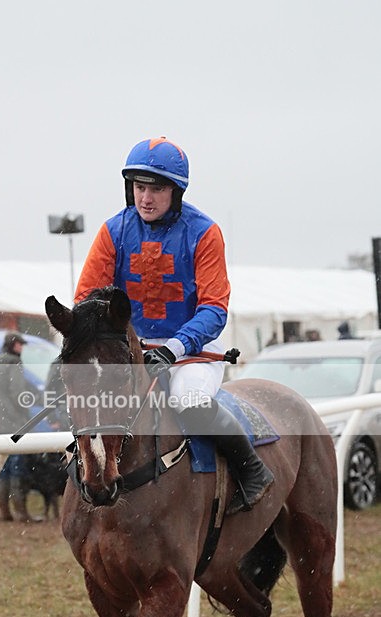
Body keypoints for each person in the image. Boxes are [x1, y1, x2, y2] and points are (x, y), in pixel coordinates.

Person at [74, 136, 274, 514]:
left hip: (190, 353)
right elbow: (87, 299)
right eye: (139, 187)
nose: (146, 198)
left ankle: (252, 471)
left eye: (157, 188)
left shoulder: (204, 232)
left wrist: (173, 348)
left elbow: (214, 308)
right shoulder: (113, 231)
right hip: (129, 351)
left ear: (176, 192)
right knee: (91, 404)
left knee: (189, 402)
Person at [0, 331, 40, 522]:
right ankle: (21, 511)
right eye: (20, 345)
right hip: (14, 424)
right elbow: (18, 394)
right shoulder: (14, 363)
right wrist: (26, 415)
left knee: (0, 468)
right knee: (17, 469)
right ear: (14, 345)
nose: (22, 349)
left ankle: (3, 511)